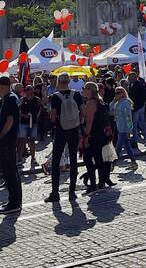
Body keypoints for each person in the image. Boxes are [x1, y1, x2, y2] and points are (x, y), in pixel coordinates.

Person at [44, 74, 83, 203]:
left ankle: (55, 192)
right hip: (74, 130)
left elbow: (53, 116)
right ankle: (72, 192)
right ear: (69, 82)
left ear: (59, 82)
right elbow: (82, 111)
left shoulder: (56, 96)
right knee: (73, 159)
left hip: (61, 130)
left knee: (56, 161)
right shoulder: (76, 94)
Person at [0, 77, 22, 213]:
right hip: (9, 139)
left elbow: (9, 120)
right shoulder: (8, 98)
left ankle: (14, 203)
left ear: (3, 86)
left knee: (9, 171)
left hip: (7, 139)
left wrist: (1, 135)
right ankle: (15, 200)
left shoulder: (10, 99)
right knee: (11, 170)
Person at [80, 81, 112, 192]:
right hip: (101, 134)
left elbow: (89, 122)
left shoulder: (90, 103)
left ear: (89, 90)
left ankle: (93, 184)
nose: (83, 90)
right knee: (98, 159)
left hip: (93, 135)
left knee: (88, 159)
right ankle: (101, 182)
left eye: (84, 88)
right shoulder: (100, 101)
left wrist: (85, 136)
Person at [110, 86, 138, 171]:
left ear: (122, 93)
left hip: (124, 129)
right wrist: (113, 101)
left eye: (118, 93)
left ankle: (112, 164)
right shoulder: (118, 102)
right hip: (119, 127)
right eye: (115, 93)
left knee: (118, 147)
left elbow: (128, 117)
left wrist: (129, 130)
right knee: (127, 146)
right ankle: (134, 162)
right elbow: (111, 108)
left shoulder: (126, 102)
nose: (116, 94)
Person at [18, 84, 41, 171]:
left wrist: (37, 116)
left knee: (32, 141)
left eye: (30, 89)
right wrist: (24, 115)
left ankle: (33, 158)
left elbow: (40, 108)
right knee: (22, 141)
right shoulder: (22, 100)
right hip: (23, 123)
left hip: (33, 122)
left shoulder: (37, 100)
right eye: (27, 90)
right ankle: (20, 159)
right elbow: (18, 111)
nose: (28, 92)